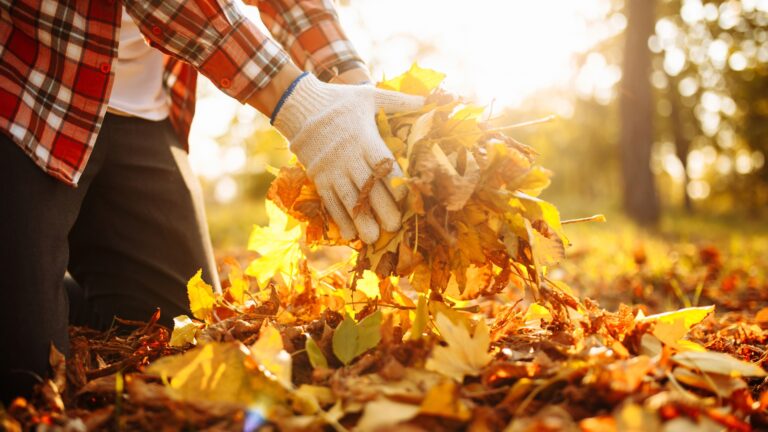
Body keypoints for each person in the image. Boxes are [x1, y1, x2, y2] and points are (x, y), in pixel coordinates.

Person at [0, 0, 423, 402]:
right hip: (26, 88)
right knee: (29, 380)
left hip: (141, 112)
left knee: (176, 334)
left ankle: (42, 288)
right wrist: (299, 105)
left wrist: (350, 86)